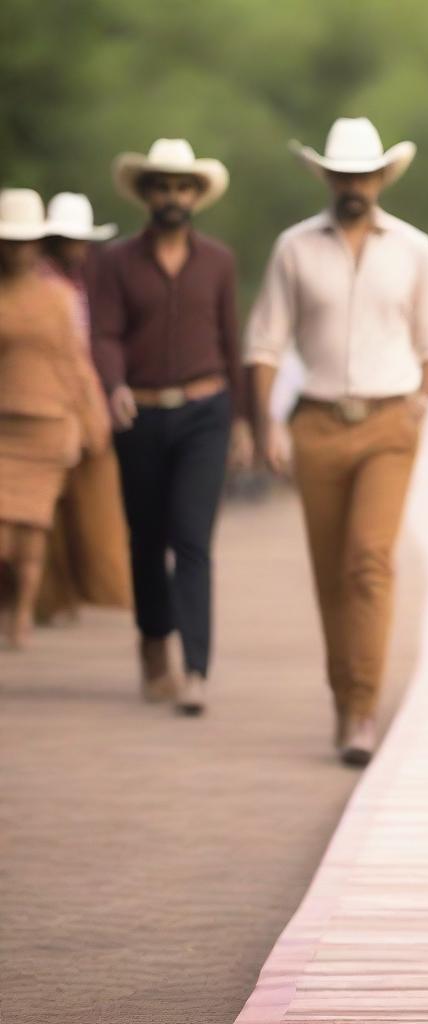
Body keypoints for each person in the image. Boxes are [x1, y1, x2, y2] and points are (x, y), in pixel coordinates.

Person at [246, 117, 428, 764]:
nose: (352, 185)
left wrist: (420, 401)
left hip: (389, 423)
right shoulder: (294, 249)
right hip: (315, 423)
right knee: (332, 572)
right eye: (342, 175)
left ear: (380, 178)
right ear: (327, 178)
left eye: (362, 174)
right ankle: (344, 701)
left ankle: (363, 710)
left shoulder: (415, 248)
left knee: (370, 561)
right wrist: (266, 426)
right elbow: (264, 343)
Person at [92, 138, 253, 713]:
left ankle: (195, 670)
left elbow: (229, 342)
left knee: (191, 538)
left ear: (195, 195)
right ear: (146, 193)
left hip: (204, 414)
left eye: (182, 186)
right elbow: (104, 334)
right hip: (138, 413)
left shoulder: (217, 261)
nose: (172, 196)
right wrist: (112, 385)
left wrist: (241, 421)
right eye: (162, 186)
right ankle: (153, 644)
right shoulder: (113, 263)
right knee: (146, 540)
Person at [0, 189, 110, 648]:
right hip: (4, 424)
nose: (19, 250)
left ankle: (22, 614)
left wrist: (89, 416)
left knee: (34, 531)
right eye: (12, 241)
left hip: (47, 423)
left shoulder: (60, 298)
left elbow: (75, 362)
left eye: (27, 241)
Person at [35, 192, 132, 624]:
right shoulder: (39, 287)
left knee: (85, 501)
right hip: (48, 401)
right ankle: (46, 598)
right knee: (47, 504)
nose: (76, 248)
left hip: (85, 397)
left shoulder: (86, 284)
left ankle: (78, 589)